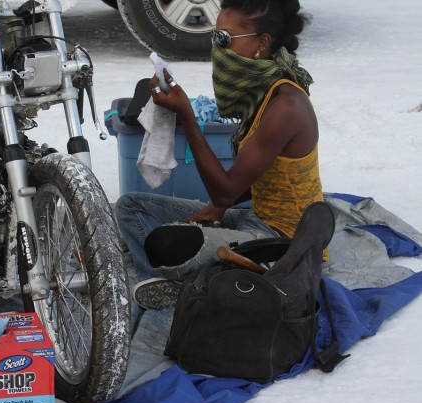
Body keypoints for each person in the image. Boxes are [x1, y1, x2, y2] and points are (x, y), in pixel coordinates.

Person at [116, 0, 322, 310]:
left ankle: (186, 284)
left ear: (262, 43)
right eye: (215, 37)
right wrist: (216, 210)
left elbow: (225, 191)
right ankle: (166, 283)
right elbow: (248, 184)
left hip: (286, 243)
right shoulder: (263, 89)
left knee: (166, 243)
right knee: (129, 206)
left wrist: (188, 116)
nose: (218, 49)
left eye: (224, 39)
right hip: (255, 216)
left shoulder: (286, 107)